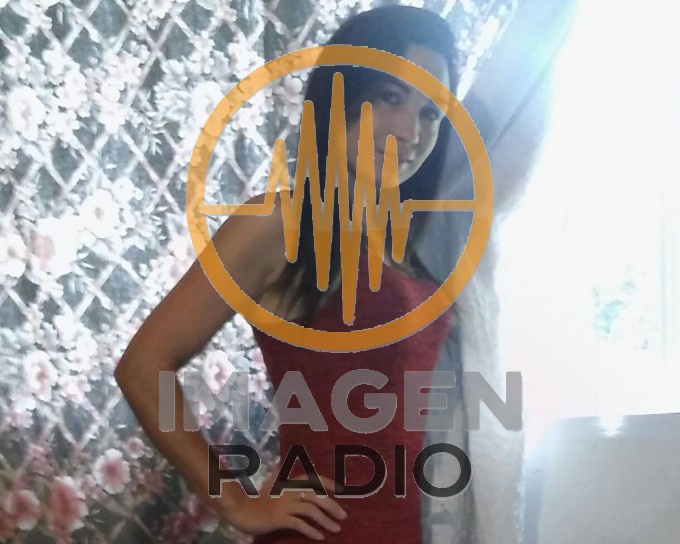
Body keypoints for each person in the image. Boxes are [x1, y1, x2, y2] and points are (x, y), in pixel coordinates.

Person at [115, 5, 460, 543]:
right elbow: (142, 365)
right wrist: (236, 501)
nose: (409, 130)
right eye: (390, 97)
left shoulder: (411, 246)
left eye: (431, 113)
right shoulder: (281, 221)